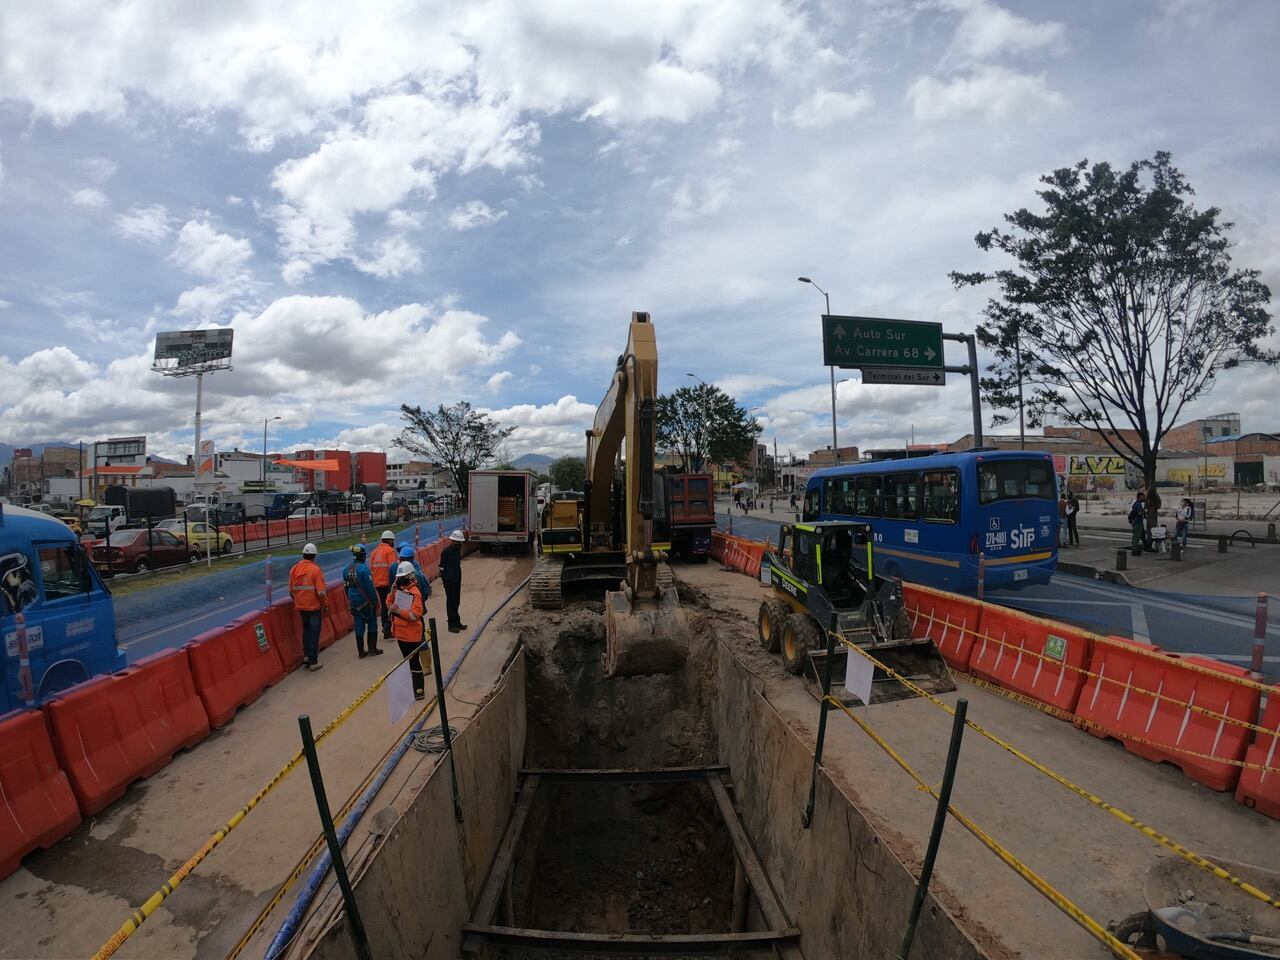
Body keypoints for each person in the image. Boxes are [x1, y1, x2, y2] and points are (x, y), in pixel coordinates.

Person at [388, 560, 428, 700]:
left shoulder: (414, 593)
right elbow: (389, 604)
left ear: (411, 577)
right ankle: (412, 689)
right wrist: (392, 592)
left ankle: (418, 691)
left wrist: (398, 611)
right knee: (408, 662)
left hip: (411, 635)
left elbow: (415, 615)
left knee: (414, 662)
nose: (400, 580)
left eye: (403, 577)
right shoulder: (399, 590)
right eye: (399, 578)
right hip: (400, 633)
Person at [289, 542, 328, 672]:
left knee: (306, 631)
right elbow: (321, 592)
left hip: (301, 607)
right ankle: (313, 661)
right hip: (313, 607)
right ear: (314, 556)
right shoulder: (316, 570)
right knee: (314, 633)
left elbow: (291, 591)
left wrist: (298, 601)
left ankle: (306, 656)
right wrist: (325, 605)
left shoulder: (294, 569)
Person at [343, 545, 383, 658]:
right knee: (372, 623)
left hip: (354, 601)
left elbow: (345, 587)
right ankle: (372, 649)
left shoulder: (346, 569)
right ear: (363, 556)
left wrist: (349, 601)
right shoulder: (364, 569)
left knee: (359, 624)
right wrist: (376, 602)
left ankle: (361, 652)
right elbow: (370, 587)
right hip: (366, 601)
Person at [369, 530, 398, 642]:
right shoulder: (390, 551)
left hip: (378, 583)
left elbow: (371, 568)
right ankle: (388, 628)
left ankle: (385, 627)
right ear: (390, 540)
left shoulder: (374, 552)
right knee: (390, 605)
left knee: (384, 605)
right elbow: (393, 568)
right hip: (388, 583)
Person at [441, 528, 467, 632]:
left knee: (457, 601)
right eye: (458, 542)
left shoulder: (457, 550)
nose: (459, 544)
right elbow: (441, 568)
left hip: (457, 579)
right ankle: (451, 624)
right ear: (453, 541)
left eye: (460, 542)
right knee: (451, 602)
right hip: (449, 580)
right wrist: (445, 580)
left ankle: (457, 621)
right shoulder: (446, 552)